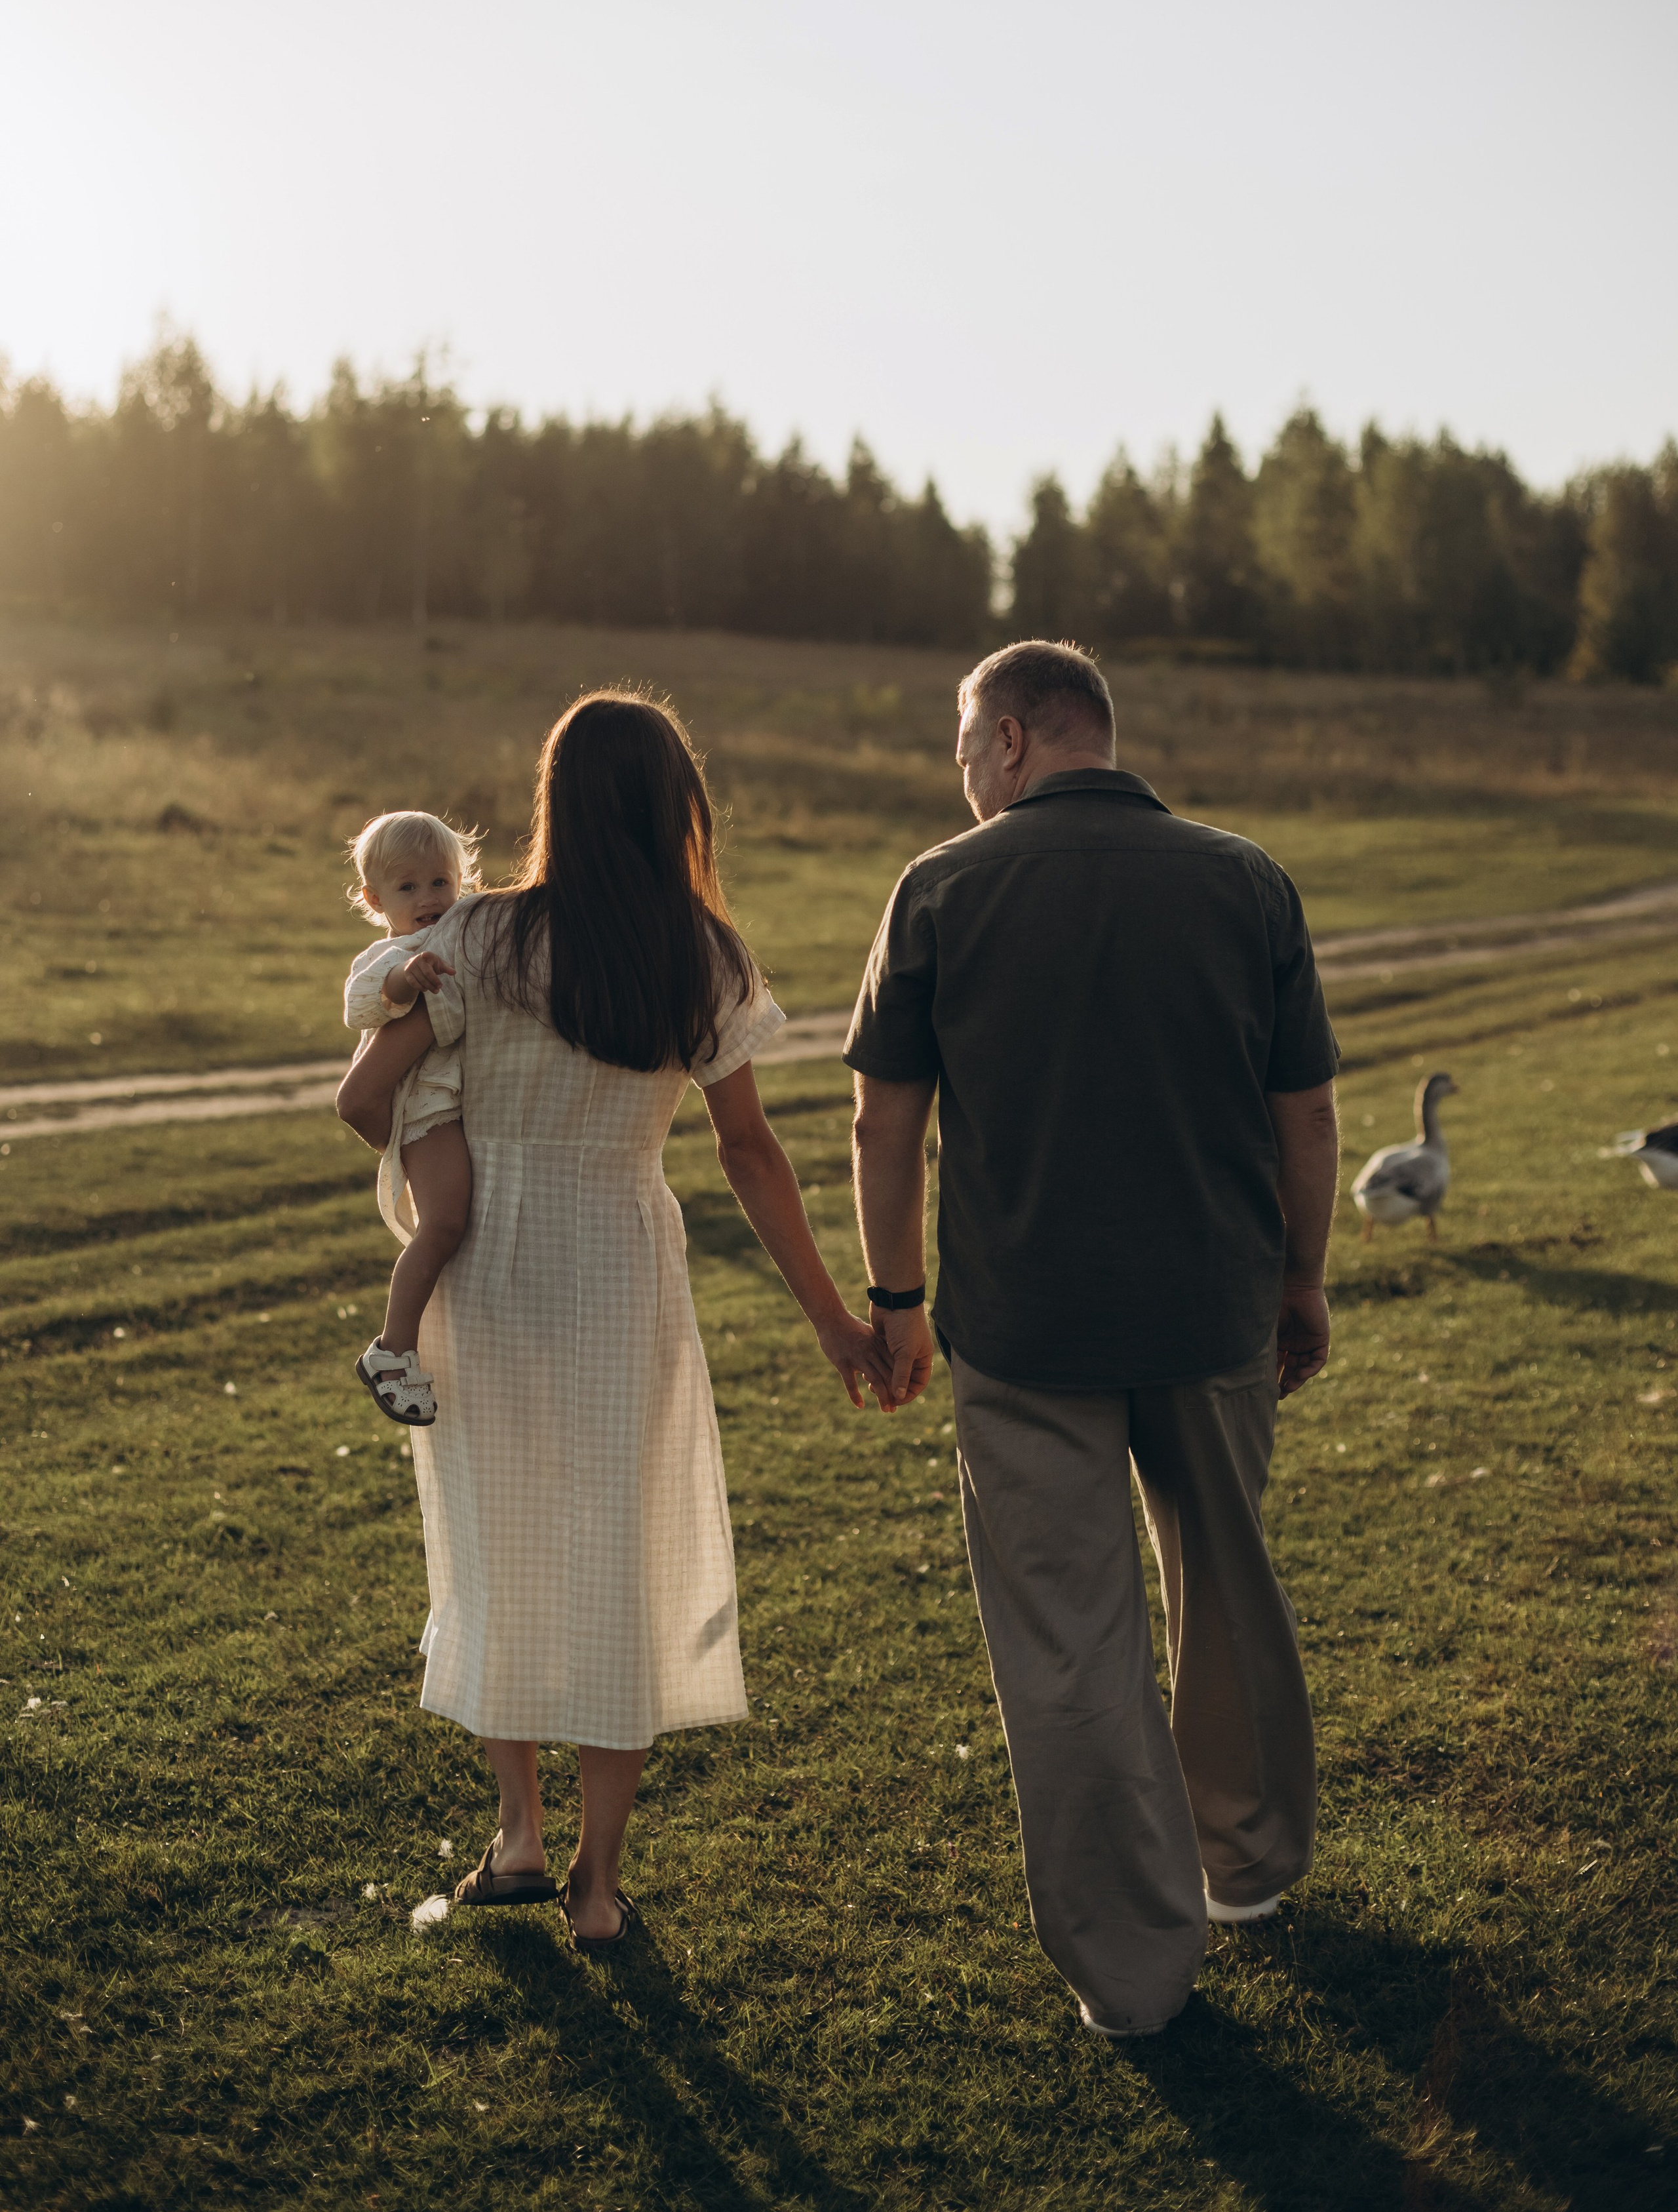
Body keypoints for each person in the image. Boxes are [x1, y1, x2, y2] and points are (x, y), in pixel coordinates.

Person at [844, 639, 1340, 2038]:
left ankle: (1131, 1975)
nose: (960, 778)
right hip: (1215, 1306)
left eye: (961, 751)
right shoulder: (1244, 879)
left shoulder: (940, 887)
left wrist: (895, 1302)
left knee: (1067, 1640)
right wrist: (1301, 1282)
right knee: (1225, 1584)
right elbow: (1302, 1115)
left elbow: (885, 1121)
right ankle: (1244, 1871)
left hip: (1022, 1325)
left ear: (1008, 741)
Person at [336, 693, 889, 1945]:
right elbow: (747, 1149)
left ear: (553, 805)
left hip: (485, 1269)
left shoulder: (472, 938)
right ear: (674, 806)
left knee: (493, 1543)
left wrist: (429, 1136)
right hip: (618, 1263)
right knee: (618, 1558)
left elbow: (367, 1099)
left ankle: (516, 1838)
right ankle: (596, 1888)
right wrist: (829, 1322)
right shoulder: (702, 957)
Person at [341, 809, 482, 1429]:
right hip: (425, 1111)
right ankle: (393, 1350)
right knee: (445, 1223)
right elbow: (361, 1004)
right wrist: (405, 979)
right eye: (407, 888)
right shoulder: (392, 953)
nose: (428, 899)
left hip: (456, 1107)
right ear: (375, 899)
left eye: (440, 883)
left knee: (456, 1223)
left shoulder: (464, 933)